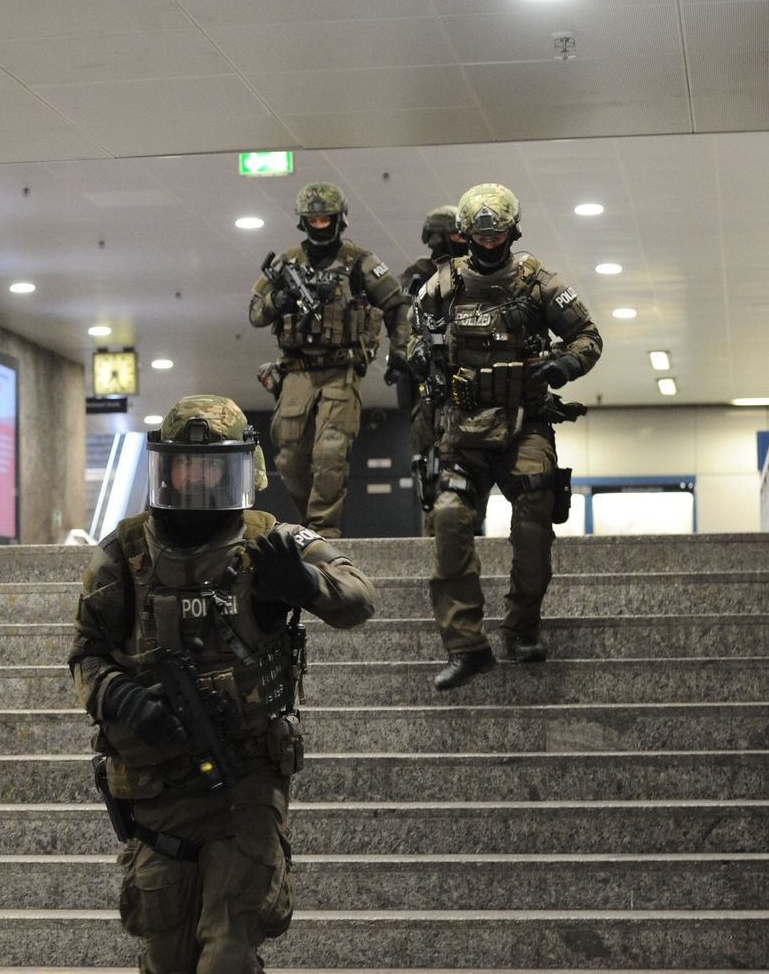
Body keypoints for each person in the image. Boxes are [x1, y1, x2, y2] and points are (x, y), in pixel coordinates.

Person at [69, 394, 377, 974]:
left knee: (228, 955)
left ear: (241, 470)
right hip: (158, 783)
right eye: (185, 467)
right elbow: (85, 653)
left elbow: (360, 596)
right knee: (166, 958)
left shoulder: (270, 539)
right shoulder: (124, 552)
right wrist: (123, 698)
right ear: (166, 469)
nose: (198, 481)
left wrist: (305, 584)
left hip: (246, 780)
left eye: (213, 467)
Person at [411, 183, 603, 689]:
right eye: (480, 232)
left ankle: (522, 627)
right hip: (463, 429)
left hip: (525, 423)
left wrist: (559, 366)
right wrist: (425, 365)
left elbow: (589, 337)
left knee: (535, 511)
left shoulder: (537, 280)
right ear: (466, 233)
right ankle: (466, 646)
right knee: (450, 519)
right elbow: (415, 337)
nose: (490, 241)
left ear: (511, 230)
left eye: (497, 232)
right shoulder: (443, 283)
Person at [249, 181, 411, 538]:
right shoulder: (287, 262)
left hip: (341, 370)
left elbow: (398, 306)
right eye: (313, 220)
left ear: (339, 219)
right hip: (296, 371)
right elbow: (256, 313)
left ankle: (324, 530)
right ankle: (310, 522)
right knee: (290, 457)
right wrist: (281, 297)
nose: (320, 225)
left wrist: (400, 352)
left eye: (326, 219)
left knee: (330, 455)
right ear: (303, 222)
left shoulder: (360, 262)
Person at [398, 204, 468, 466]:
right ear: (439, 237)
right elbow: (403, 322)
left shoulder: (473, 271)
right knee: (430, 455)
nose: (466, 241)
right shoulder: (418, 274)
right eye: (458, 236)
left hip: (469, 372)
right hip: (431, 377)